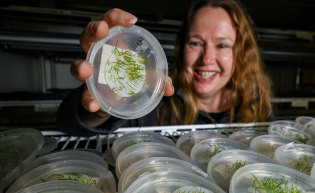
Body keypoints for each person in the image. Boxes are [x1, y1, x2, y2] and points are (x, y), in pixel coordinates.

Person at [57, 0, 273, 136]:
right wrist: (104, 102)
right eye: (195, 43)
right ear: (181, 49)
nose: (206, 59)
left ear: (240, 54)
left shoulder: (256, 105)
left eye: (222, 45)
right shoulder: (155, 98)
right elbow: (69, 126)